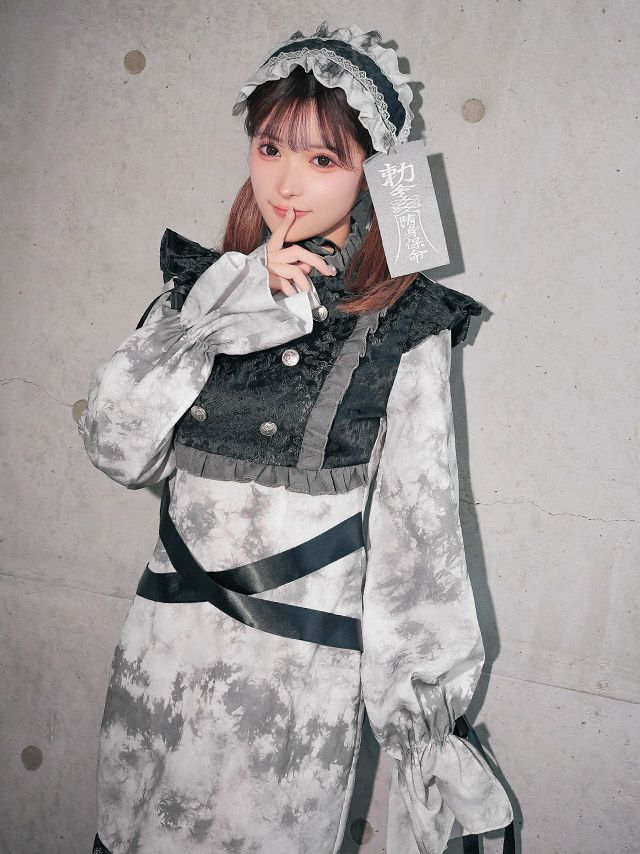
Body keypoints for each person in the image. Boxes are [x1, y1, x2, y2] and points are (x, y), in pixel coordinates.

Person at [79, 21, 514, 854]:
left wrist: (423, 726)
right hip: (159, 662)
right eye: (271, 147)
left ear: (374, 170)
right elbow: (115, 447)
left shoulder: (405, 327)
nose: (286, 181)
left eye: (322, 159)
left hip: (288, 696)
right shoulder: (200, 298)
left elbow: (418, 543)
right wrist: (230, 301)